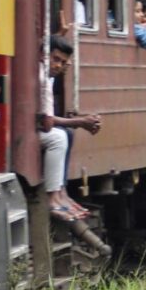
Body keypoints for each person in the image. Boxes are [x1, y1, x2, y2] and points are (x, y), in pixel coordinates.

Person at [39, 36, 100, 221]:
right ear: (44, 55)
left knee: (67, 134)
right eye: (55, 59)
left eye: (63, 62)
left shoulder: (46, 76)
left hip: (31, 129)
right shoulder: (43, 78)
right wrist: (80, 122)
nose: (58, 66)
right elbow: (47, 123)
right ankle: (52, 196)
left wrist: (79, 123)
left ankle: (61, 192)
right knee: (59, 138)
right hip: (23, 134)